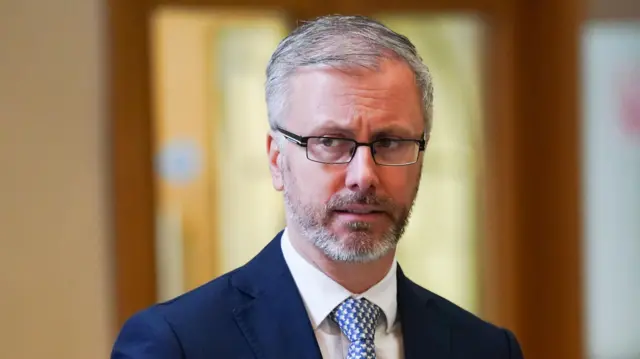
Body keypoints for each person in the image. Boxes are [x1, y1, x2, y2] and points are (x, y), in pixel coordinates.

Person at [111, 14, 524, 359]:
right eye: (329, 142)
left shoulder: (484, 348)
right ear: (276, 159)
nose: (363, 174)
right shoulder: (176, 344)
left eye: (390, 142)